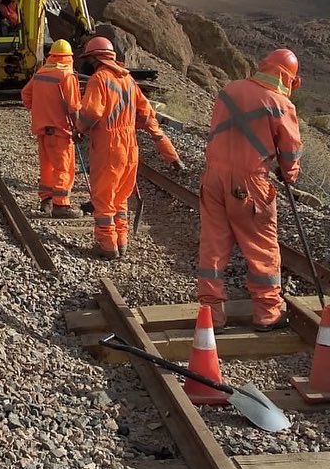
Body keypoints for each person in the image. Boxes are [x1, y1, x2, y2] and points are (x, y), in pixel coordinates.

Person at [196, 48, 304, 330]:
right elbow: (291, 151)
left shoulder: (229, 89)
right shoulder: (280, 104)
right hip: (249, 182)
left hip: (213, 176)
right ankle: (268, 313)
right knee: (261, 246)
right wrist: (289, 175)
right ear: (288, 78)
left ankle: (211, 314)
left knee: (213, 245)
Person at [76, 37, 183, 260]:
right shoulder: (129, 81)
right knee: (121, 197)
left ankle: (107, 245)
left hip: (109, 146)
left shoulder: (100, 79)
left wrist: (79, 129)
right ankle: (122, 241)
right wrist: (168, 150)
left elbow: (91, 113)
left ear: (95, 58)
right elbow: (147, 116)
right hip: (130, 146)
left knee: (103, 198)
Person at [21, 39, 82, 218]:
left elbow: (25, 94)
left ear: (52, 56)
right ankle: (61, 206)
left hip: (42, 130)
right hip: (60, 131)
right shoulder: (67, 76)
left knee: (46, 167)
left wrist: (38, 110)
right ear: (68, 57)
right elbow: (73, 107)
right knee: (63, 168)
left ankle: (46, 200)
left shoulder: (41, 72)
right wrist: (78, 128)